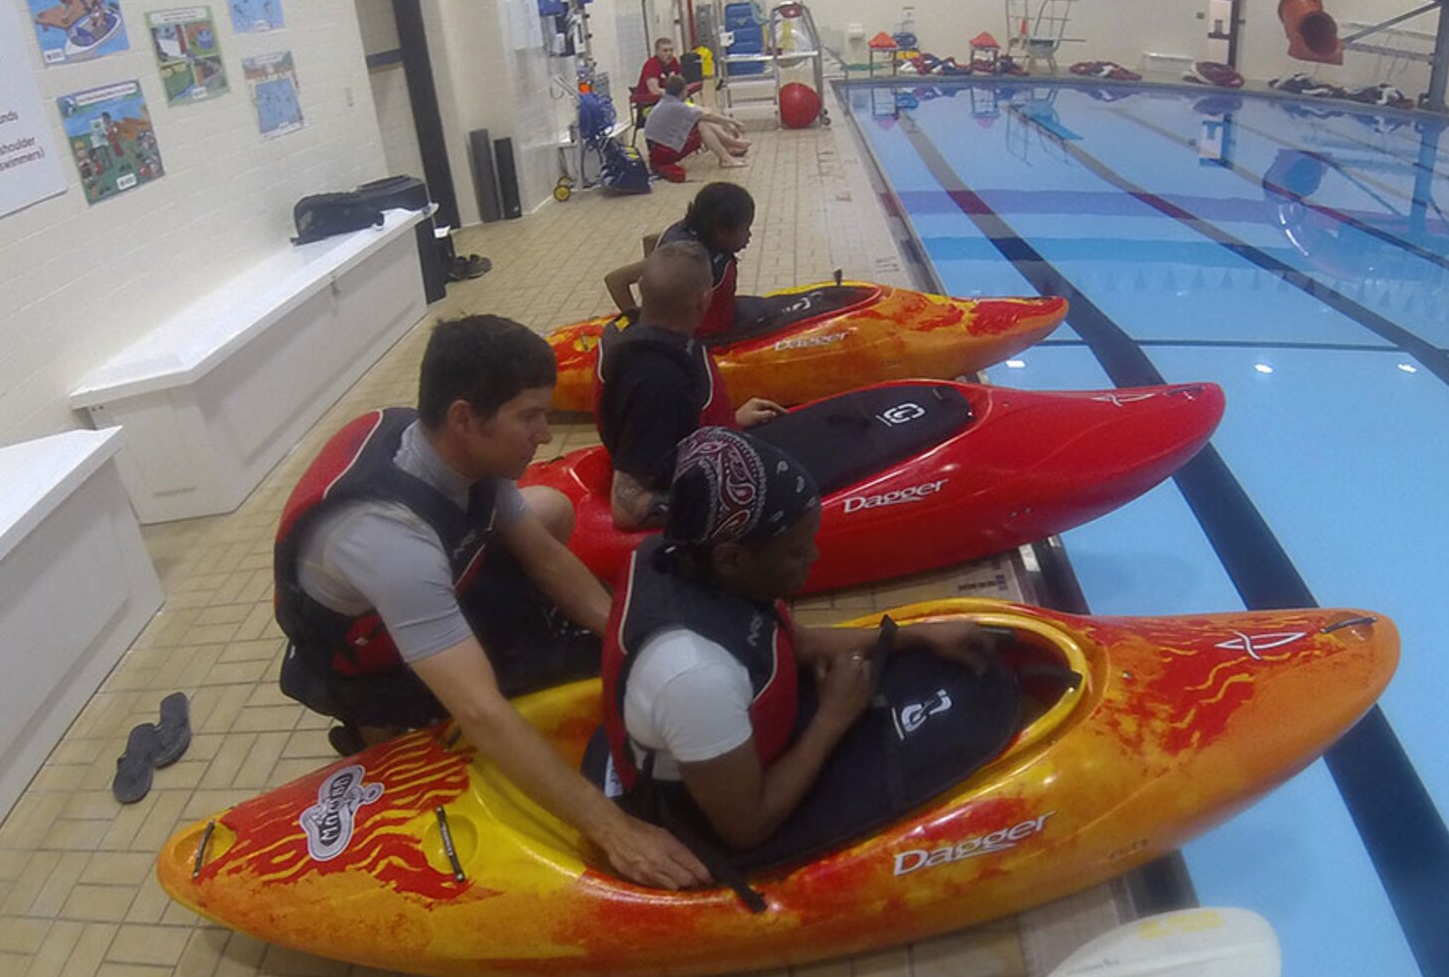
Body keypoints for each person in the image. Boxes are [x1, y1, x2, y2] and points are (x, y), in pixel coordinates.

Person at [274, 315, 709, 890]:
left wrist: (635, 643)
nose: (547, 434)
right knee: (524, 686)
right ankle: (373, 728)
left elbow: (546, 559)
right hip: (366, 660)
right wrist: (613, 830)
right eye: (530, 416)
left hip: (422, 585)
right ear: (463, 417)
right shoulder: (393, 541)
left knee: (551, 511)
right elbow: (481, 711)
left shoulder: (449, 446)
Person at [600, 428, 995, 862]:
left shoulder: (682, 554)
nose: (814, 558)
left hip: (730, 746)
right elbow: (746, 826)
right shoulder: (694, 674)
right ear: (731, 558)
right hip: (710, 818)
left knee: (919, 676)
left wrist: (912, 634)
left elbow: (791, 643)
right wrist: (833, 718)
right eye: (795, 552)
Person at [596, 241, 784, 530]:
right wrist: (730, 503)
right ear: (703, 300)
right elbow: (627, 507)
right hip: (696, 483)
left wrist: (730, 422)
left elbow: (673, 430)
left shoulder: (638, 336)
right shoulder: (658, 380)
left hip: (702, 453)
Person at [604, 182, 755, 338]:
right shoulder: (687, 259)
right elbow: (616, 280)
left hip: (726, 315)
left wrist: (653, 285)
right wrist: (639, 325)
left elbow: (650, 239)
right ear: (722, 231)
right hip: (707, 338)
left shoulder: (698, 230)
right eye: (746, 229)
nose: (749, 235)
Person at [643, 76, 750, 181]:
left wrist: (727, 123)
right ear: (683, 91)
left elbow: (703, 111)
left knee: (702, 121)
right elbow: (707, 116)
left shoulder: (667, 101)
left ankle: (731, 146)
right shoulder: (676, 106)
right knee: (702, 125)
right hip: (664, 152)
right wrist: (733, 122)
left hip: (658, 148)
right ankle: (727, 158)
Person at [636, 37, 700, 107]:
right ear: (657, 52)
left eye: (671, 50)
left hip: (670, 100)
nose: (669, 53)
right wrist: (675, 93)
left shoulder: (674, 62)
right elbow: (654, 91)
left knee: (693, 109)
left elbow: (679, 83)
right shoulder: (652, 64)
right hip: (650, 104)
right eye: (665, 51)